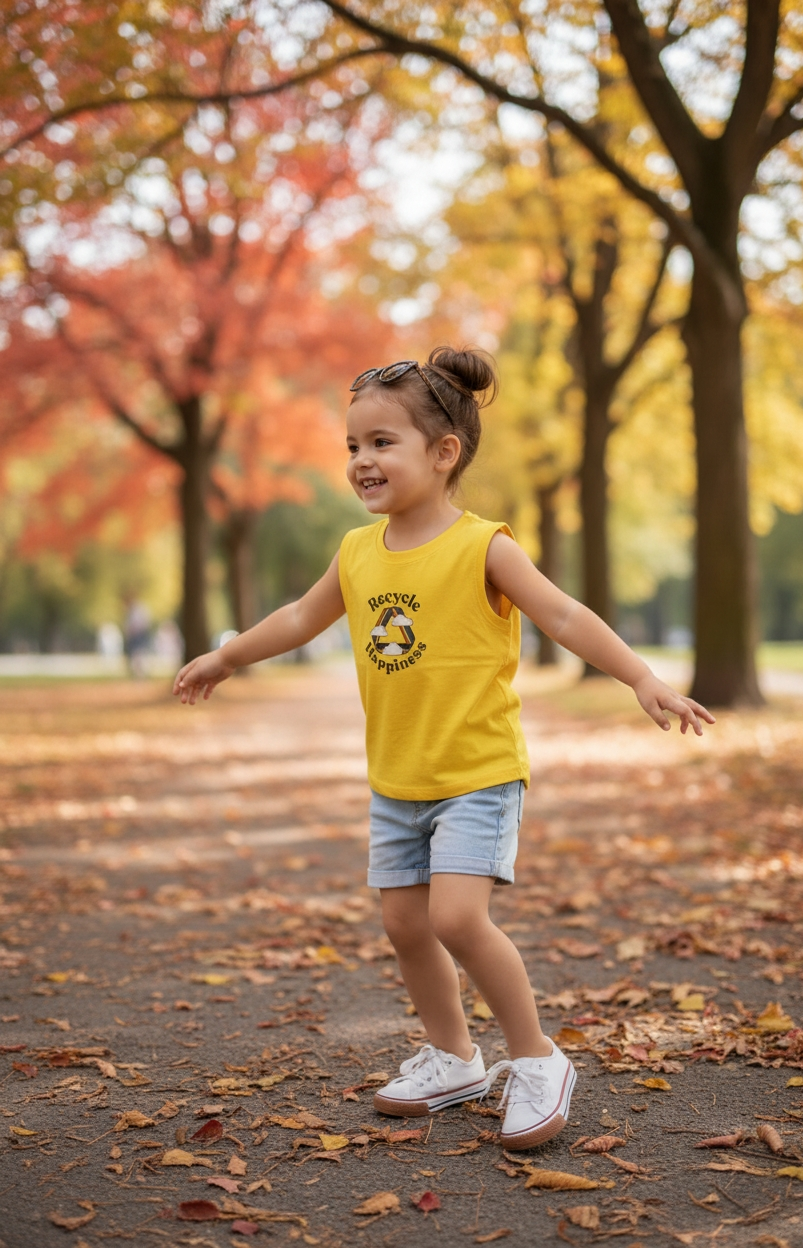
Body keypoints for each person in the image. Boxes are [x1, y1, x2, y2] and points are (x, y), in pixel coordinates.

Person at [173, 347, 714, 1150]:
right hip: (399, 777)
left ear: (444, 452)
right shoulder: (357, 555)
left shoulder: (483, 546)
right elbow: (295, 618)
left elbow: (564, 617)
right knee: (405, 923)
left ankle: (537, 1059)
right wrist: (227, 654)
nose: (361, 461)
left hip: (477, 774)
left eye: (381, 442)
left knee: (458, 917)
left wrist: (641, 678)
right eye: (352, 446)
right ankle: (455, 1056)